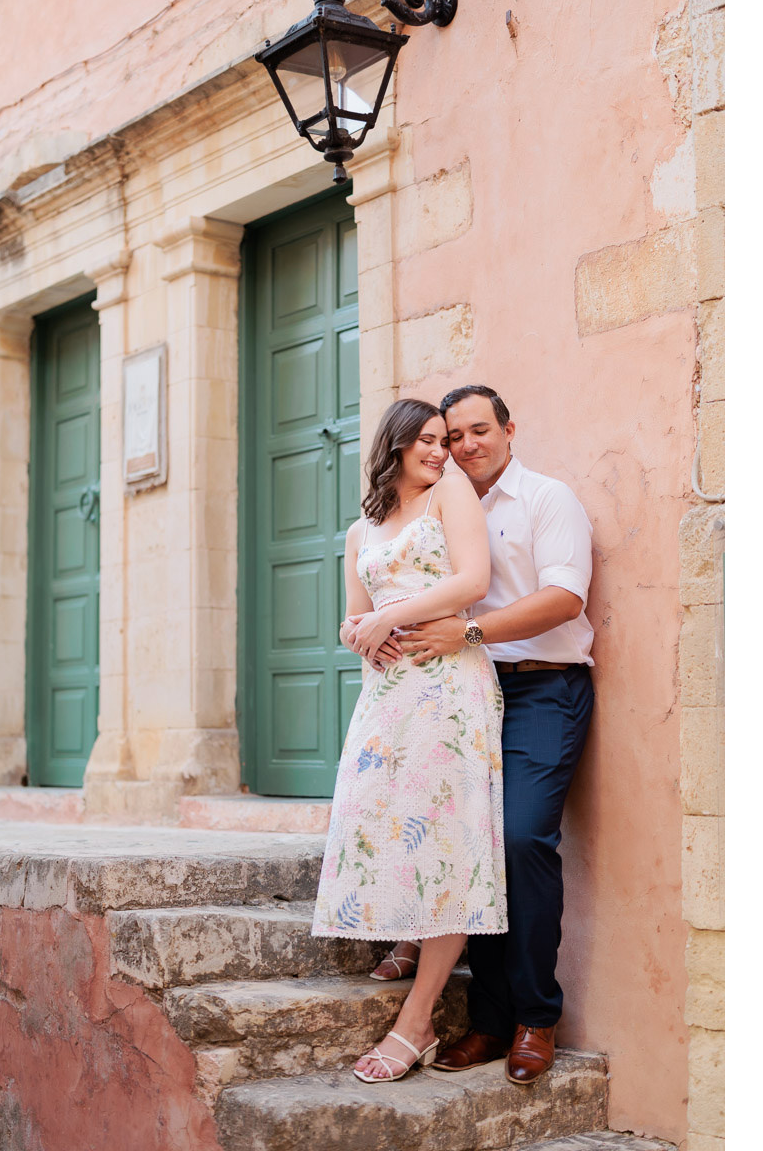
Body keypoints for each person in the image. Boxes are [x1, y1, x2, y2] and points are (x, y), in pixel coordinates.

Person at [343, 384, 595, 1088]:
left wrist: (469, 630)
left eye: (480, 430)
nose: (465, 445)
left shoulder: (547, 498)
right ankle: (485, 1018)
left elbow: (565, 597)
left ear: (510, 430)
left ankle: (536, 1017)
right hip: (462, 689)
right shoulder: (433, 504)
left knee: (516, 839)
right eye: (453, 436)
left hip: (544, 685)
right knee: (467, 838)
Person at [312, 397, 508, 1084]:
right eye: (425, 440)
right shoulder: (359, 531)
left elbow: (471, 582)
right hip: (388, 696)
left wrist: (388, 616)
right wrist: (357, 631)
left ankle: (417, 1020)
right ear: (393, 445)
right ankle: (407, 932)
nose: (440, 451)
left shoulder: (450, 494)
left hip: (450, 688)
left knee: (447, 839)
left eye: (443, 440)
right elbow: (352, 620)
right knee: (385, 823)